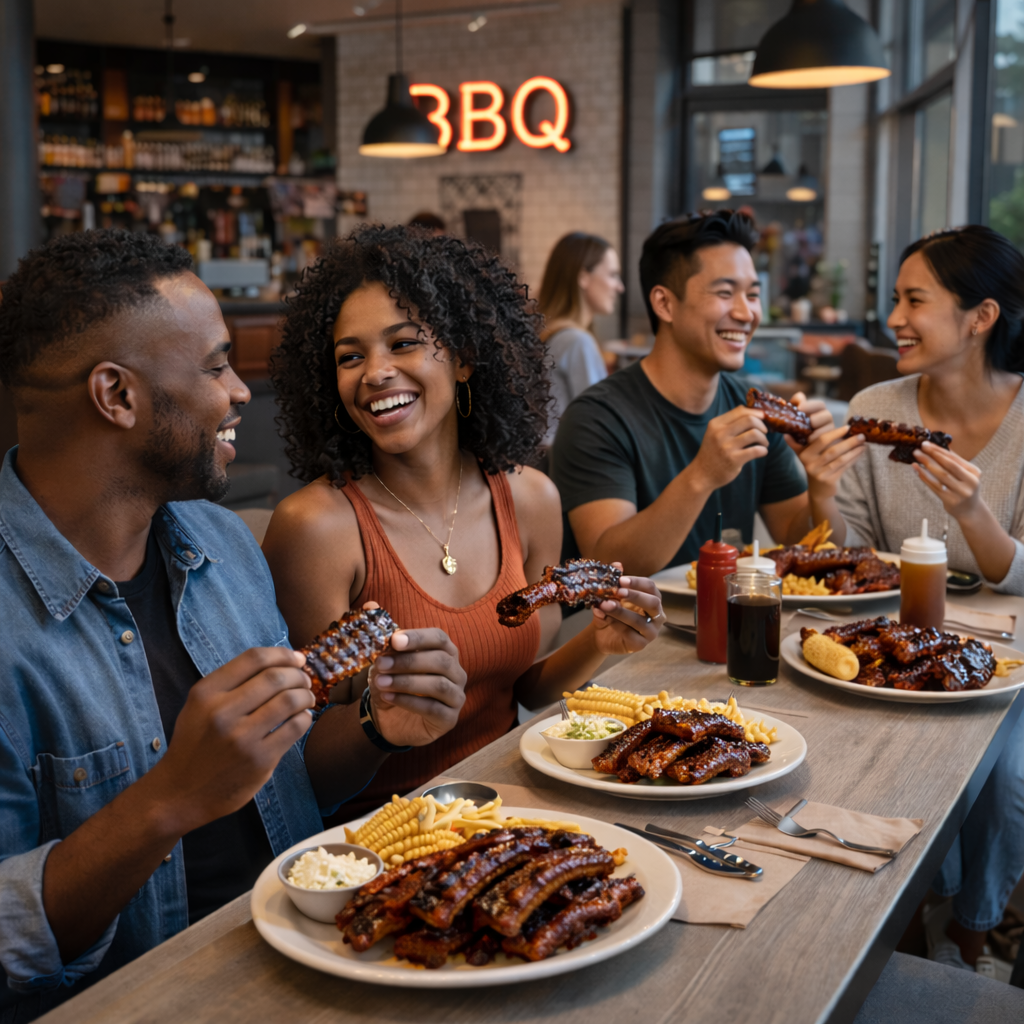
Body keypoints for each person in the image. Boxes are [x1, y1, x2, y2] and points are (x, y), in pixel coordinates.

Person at [0, 230, 466, 1021]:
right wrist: (168, 799)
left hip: (306, 965)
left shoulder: (221, 544)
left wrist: (377, 727)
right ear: (117, 396)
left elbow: (285, 787)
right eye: (216, 367)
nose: (242, 390)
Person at [263, 224, 665, 818]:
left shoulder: (530, 499)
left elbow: (520, 687)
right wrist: (379, 722)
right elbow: (297, 778)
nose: (375, 372)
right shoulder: (315, 527)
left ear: (464, 360)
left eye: (402, 344)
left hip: (514, 807)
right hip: (377, 834)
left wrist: (599, 643)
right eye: (351, 357)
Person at [833, 224, 1024, 973]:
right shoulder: (875, 404)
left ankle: (972, 940)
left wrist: (973, 512)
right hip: (898, 648)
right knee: (888, 760)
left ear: (981, 317)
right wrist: (820, 491)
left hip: (1009, 660)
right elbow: (848, 561)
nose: (895, 319)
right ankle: (915, 925)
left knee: (1007, 780)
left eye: (915, 301)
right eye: (895, 299)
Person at [550, 210, 863, 577]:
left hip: (728, 609)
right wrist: (702, 475)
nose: (746, 313)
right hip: (630, 616)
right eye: (725, 293)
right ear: (665, 303)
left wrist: (821, 490)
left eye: (753, 294)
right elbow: (607, 567)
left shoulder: (755, 409)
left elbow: (806, 553)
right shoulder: (596, 419)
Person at [537, 232, 622, 444]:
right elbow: (600, 426)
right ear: (583, 277)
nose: (620, 287)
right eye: (613, 275)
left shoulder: (551, 333)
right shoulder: (576, 341)